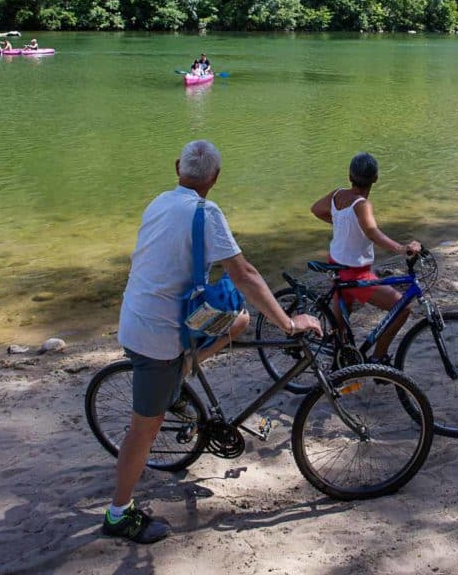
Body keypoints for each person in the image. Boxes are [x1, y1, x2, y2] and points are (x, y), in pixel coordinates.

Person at [104, 139, 321, 544]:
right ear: (215, 178)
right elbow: (245, 273)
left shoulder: (159, 202)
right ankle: (119, 514)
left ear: (177, 168)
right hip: (155, 335)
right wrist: (288, 323)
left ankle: (180, 376)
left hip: (140, 315)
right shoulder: (206, 211)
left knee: (238, 321)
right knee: (143, 432)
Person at [310, 152, 421, 364]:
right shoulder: (363, 205)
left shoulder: (337, 195)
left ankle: (340, 361)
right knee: (402, 309)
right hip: (354, 272)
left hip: (337, 264)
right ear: (376, 178)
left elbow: (316, 209)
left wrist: (344, 224)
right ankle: (378, 358)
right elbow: (372, 232)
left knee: (341, 327)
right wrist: (401, 248)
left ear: (349, 176)